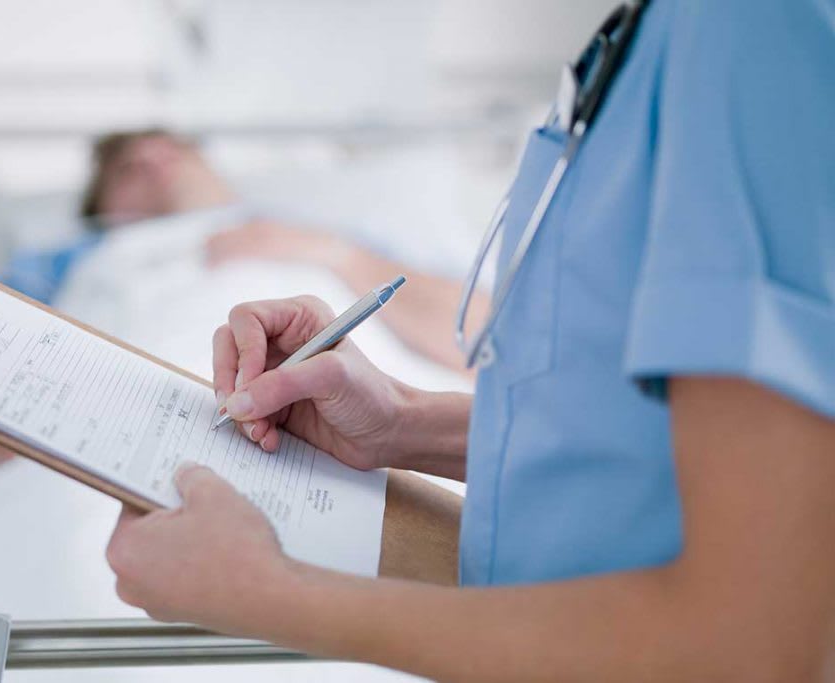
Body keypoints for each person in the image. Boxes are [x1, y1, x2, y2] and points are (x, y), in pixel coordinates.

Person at [104, 1, 835, 680]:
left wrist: (265, 593)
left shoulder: (748, 31)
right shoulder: (662, 44)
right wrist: (405, 421)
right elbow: (639, 441)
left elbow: (756, 644)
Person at [0, 129, 476, 484]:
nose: (150, 158)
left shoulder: (328, 234)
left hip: (352, 435)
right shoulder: (81, 255)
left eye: (168, 146)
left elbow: (480, 332)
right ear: (104, 208)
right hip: (117, 428)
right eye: (126, 170)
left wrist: (334, 253)